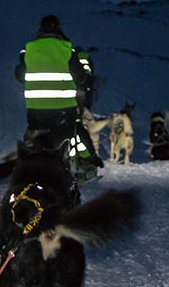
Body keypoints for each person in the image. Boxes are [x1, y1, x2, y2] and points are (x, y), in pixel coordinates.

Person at [15, 15, 103, 171]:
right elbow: (80, 77)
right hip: (63, 108)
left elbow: (19, 75)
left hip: (35, 109)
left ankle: (29, 163)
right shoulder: (66, 48)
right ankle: (88, 160)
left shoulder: (29, 49)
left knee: (34, 137)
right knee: (74, 132)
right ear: (58, 28)